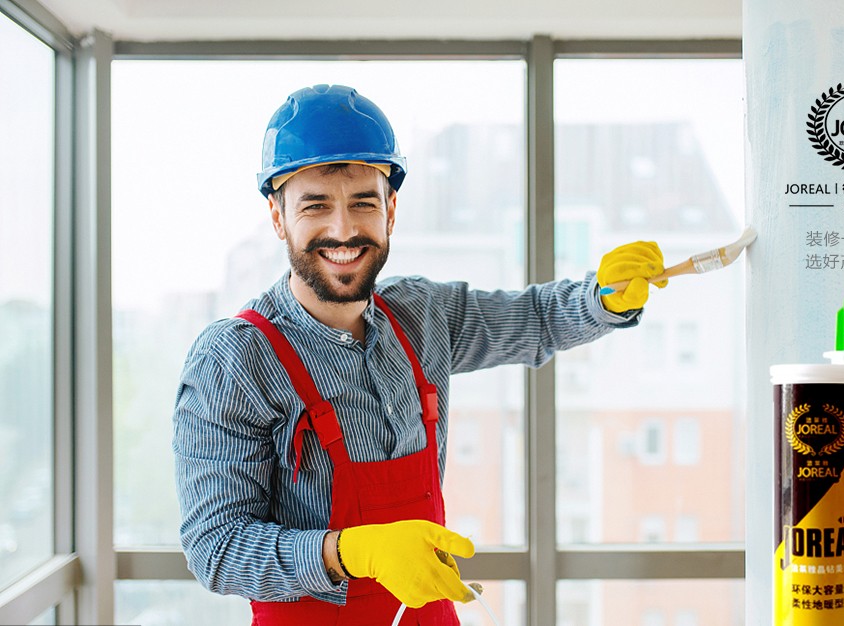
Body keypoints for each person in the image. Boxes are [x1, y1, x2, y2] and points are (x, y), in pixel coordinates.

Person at [172, 83, 667, 625]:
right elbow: (215, 548)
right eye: (315, 205)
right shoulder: (233, 359)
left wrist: (603, 298)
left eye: (363, 201)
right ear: (277, 216)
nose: (343, 229)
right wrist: (349, 553)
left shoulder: (421, 316)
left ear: (391, 210)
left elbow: (535, 318)